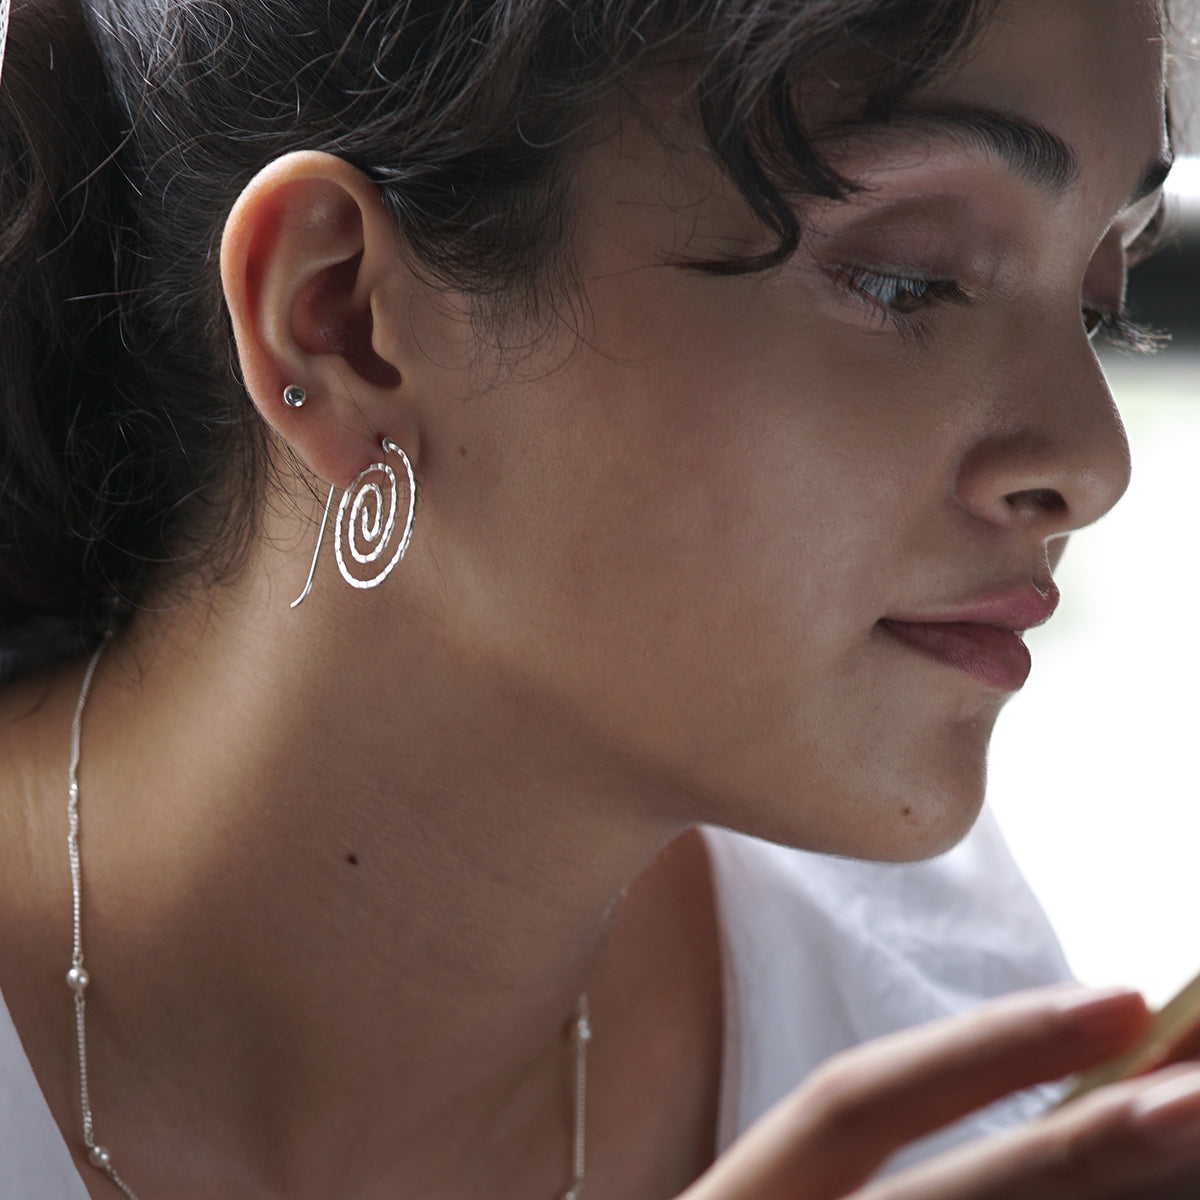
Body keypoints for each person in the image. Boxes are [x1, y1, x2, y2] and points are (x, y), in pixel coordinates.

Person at [0, 0, 1196, 1196]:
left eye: (1101, 301)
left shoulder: (944, 1030)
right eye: (905, 281)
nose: (1094, 465)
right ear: (344, 320)